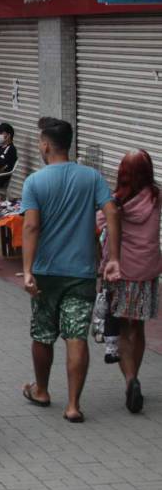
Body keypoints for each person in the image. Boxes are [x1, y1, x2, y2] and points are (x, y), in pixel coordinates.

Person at [20, 117, 120, 423]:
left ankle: (42, 390)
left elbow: (31, 225)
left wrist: (27, 270)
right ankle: (74, 405)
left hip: (46, 273)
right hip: (81, 273)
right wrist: (113, 256)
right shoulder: (91, 177)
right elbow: (112, 211)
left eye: (39, 141)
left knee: (43, 334)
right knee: (76, 336)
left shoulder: (35, 182)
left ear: (46, 144)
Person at [96, 150, 159, 414]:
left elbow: (99, 223)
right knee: (138, 328)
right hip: (147, 272)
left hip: (120, 272)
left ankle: (130, 379)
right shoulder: (156, 197)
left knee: (121, 327)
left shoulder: (117, 202)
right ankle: (135, 377)